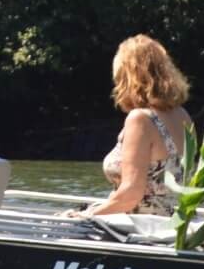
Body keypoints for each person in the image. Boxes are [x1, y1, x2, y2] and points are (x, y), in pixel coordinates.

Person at [68, 35, 191, 218]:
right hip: (171, 223)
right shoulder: (182, 115)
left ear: (129, 77)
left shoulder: (140, 119)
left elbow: (131, 194)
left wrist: (88, 215)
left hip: (139, 227)